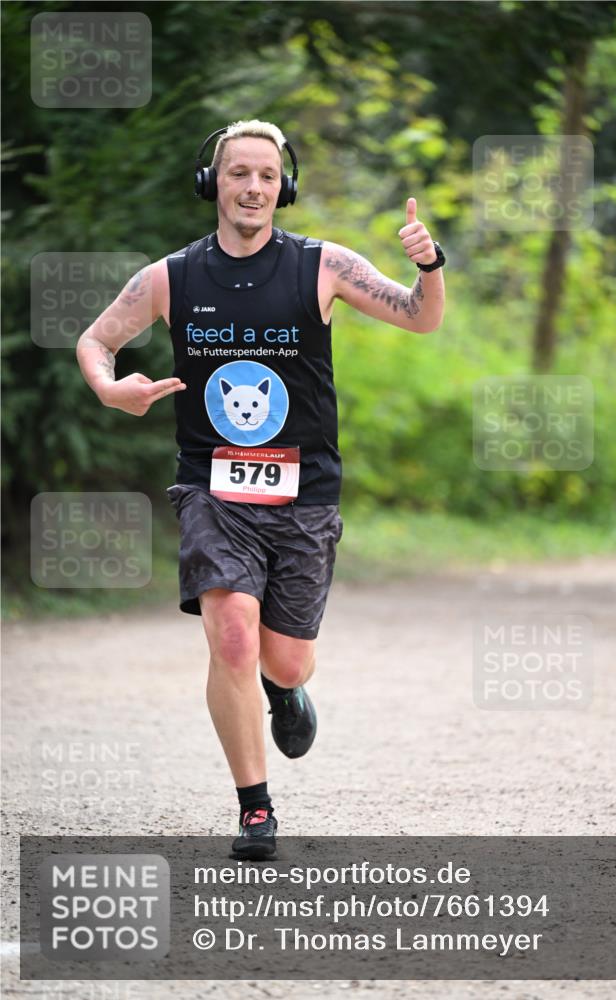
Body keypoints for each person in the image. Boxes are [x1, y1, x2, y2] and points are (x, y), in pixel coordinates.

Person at [76, 119, 445, 859]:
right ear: (212, 182)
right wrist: (111, 389)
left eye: (267, 175)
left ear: (285, 187)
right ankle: (254, 808)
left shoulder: (323, 265)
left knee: (285, 659)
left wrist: (428, 264)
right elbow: (95, 340)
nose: (252, 187)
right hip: (211, 487)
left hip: (304, 493)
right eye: (238, 173)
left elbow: (421, 317)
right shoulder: (171, 277)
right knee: (232, 635)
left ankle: (284, 689)